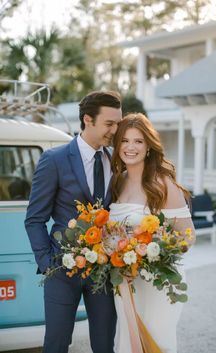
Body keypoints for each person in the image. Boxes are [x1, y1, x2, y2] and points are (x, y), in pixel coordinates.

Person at [25, 91, 122, 353]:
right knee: (56, 345)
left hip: (103, 272)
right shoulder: (54, 159)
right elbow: (34, 219)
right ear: (88, 120)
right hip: (62, 270)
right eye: (109, 124)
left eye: (118, 123)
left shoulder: (116, 159)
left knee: (104, 345)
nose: (115, 130)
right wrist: (48, 264)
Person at [110, 113, 196, 353]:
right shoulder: (117, 182)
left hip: (158, 282)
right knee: (128, 341)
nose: (130, 147)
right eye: (125, 141)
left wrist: (151, 254)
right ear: (117, 146)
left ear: (148, 146)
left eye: (138, 141)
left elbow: (189, 235)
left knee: (157, 340)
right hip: (126, 281)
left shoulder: (162, 183)